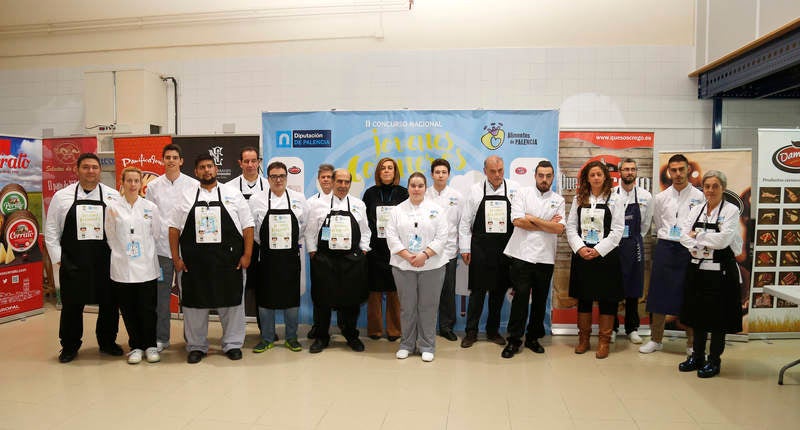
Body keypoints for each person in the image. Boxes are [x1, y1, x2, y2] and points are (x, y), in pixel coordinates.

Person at [168, 154, 254, 363]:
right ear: (196, 172)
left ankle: (232, 344)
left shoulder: (233, 194)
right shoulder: (186, 196)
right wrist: (176, 258)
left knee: (232, 305)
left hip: (229, 263)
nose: (207, 170)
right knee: (194, 307)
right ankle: (196, 346)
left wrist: (247, 255)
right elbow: (173, 229)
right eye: (202, 168)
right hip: (194, 265)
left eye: (210, 166)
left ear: (216, 169)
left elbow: (248, 226)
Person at [46, 153, 122, 363]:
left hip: (105, 260)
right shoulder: (62, 196)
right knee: (72, 305)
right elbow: (51, 229)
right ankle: (69, 346)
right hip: (73, 261)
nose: (91, 171)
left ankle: (107, 342)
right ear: (77, 170)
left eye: (94, 167)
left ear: (100, 171)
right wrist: (59, 258)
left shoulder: (112, 196)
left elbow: (120, 228)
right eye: (86, 167)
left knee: (109, 304)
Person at [678, 170, 743, 378]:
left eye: (715, 186)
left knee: (718, 319)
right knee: (697, 317)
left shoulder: (731, 211)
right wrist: (704, 238)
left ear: (722, 188)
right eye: (707, 186)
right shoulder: (696, 210)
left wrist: (697, 235)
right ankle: (697, 356)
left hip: (721, 274)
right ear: (703, 189)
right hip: (698, 271)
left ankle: (714, 360)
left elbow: (724, 241)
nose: (711, 190)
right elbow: (682, 236)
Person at [640, 154, 704, 355]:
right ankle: (656, 340)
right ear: (669, 172)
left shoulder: (699, 197)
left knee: (690, 296)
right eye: (673, 170)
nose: (677, 174)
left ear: (687, 170)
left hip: (689, 250)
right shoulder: (660, 198)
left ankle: (692, 344)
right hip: (666, 248)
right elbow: (658, 223)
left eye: (681, 169)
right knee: (659, 294)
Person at [501, 160, 565, 358]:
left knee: (539, 299)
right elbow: (518, 221)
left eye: (548, 176)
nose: (544, 179)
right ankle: (513, 340)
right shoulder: (523, 193)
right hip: (522, 255)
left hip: (545, 258)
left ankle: (533, 338)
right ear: (535, 176)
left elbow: (559, 228)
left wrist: (534, 219)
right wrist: (547, 224)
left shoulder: (559, 200)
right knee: (520, 298)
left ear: (552, 178)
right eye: (541, 175)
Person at [305, 169, 371, 353]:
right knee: (322, 301)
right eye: (339, 181)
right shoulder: (318, 205)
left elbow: (366, 231)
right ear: (332, 182)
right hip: (325, 260)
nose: (343, 186)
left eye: (346, 182)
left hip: (351, 261)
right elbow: (310, 231)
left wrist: (363, 250)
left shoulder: (358, 204)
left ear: (350, 184)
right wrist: (313, 253)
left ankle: (351, 335)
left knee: (351, 300)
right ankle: (321, 337)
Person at [386, 172, 450, 362]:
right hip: (403, 266)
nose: (416, 189)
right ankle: (406, 344)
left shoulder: (437, 210)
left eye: (420, 185)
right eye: (413, 185)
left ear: (425, 187)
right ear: (408, 188)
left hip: (432, 266)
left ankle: (427, 345)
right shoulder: (397, 211)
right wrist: (408, 256)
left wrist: (424, 255)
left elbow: (442, 236)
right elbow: (391, 237)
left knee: (428, 307)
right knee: (407, 307)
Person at [459, 155, 520, 348]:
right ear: (485, 171)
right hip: (480, 249)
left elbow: (520, 219)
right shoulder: (475, 191)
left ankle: (493, 332)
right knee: (477, 293)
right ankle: (471, 332)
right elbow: (465, 222)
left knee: (498, 292)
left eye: (500, 170)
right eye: (493, 171)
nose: (497, 175)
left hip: (505, 250)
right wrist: (465, 248)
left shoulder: (514, 189)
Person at [566, 160, 625, 359]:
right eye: (592, 175)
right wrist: (580, 248)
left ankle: (604, 342)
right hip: (583, 256)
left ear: (605, 177)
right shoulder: (579, 198)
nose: (596, 178)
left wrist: (598, 250)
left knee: (607, 300)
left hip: (606, 257)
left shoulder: (616, 199)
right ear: (587, 178)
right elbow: (570, 227)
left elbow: (617, 231)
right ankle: (583, 339)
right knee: (584, 299)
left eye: (599, 174)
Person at [145, 143, 199, 352]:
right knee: (161, 298)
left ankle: (191, 339)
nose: (171, 160)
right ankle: (162, 338)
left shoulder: (193, 185)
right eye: (167, 157)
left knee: (190, 297)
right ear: (162, 160)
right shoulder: (153, 186)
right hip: (161, 251)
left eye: (175, 157)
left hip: (187, 250)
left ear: (181, 161)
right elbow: (149, 216)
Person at [250, 161, 307, 353]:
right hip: (266, 257)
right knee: (265, 298)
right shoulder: (256, 200)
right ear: (268, 178)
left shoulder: (299, 198)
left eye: (281, 176)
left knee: (291, 299)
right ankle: (267, 338)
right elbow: (254, 230)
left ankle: (292, 338)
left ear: (286, 177)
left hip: (290, 256)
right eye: (274, 176)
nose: (278, 180)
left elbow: (304, 226)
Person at [106, 167, 161, 364]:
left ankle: (151, 345)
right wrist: (123, 254)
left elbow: (156, 234)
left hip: (146, 267)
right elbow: (110, 236)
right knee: (128, 310)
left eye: (136, 180)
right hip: (122, 268)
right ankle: (136, 346)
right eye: (128, 180)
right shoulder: (112, 207)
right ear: (122, 183)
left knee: (148, 309)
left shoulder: (150, 208)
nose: (132, 184)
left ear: (141, 184)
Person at [362, 157, 407, 342]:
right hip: (374, 249)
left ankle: (394, 329)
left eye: (390, 168)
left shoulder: (403, 193)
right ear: (378, 172)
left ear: (395, 172)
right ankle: (374, 329)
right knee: (374, 292)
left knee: (394, 291)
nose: (387, 171)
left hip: (396, 249)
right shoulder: (370, 193)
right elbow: (364, 222)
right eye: (383, 168)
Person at [612, 158, 653, 344]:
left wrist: (634, 238)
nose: (629, 172)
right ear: (619, 172)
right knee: (612, 288)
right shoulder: (611, 194)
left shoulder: (646, 197)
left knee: (633, 288)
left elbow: (645, 225)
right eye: (626, 169)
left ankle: (632, 328)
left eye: (632, 169)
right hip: (613, 246)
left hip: (634, 245)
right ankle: (611, 328)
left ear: (636, 172)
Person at [226, 147, 268, 326]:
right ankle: (235, 332)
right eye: (246, 161)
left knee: (262, 288)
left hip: (261, 244)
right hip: (237, 246)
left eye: (254, 161)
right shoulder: (229, 188)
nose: (250, 165)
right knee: (235, 289)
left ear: (259, 162)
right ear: (240, 163)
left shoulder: (269, 186)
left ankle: (264, 330)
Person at [425, 159, 464, 342]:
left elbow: (462, 224)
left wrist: (463, 247)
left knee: (447, 292)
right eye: (437, 172)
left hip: (448, 252)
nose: (440, 175)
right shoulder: (424, 195)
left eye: (444, 172)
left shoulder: (457, 197)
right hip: (427, 252)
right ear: (432, 174)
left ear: (448, 175)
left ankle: (447, 327)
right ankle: (427, 326)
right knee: (428, 292)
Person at [306, 163, 334, 340]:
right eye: (323, 177)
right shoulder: (311, 202)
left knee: (338, 291)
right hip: (320, 254)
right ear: (318, 180)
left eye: (329, 177)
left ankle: (341, 326)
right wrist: (312, 251)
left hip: (340, 254)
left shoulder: (344, 200)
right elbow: (308, 230)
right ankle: (318, 326)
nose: (326, 180)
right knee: (319, 293)